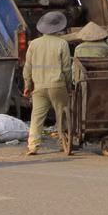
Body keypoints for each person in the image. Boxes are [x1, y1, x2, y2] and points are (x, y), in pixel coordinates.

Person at [23, 10, 72, 155]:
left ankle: (33, 146)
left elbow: (27, 68)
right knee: (61, 115)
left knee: (36, 116)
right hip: (57, 86)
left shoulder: (33, 44)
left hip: (39, 86)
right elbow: (67, 68)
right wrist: (69, 86)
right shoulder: (62, 43)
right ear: (59, 27)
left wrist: (27, 86)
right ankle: (63, 143)